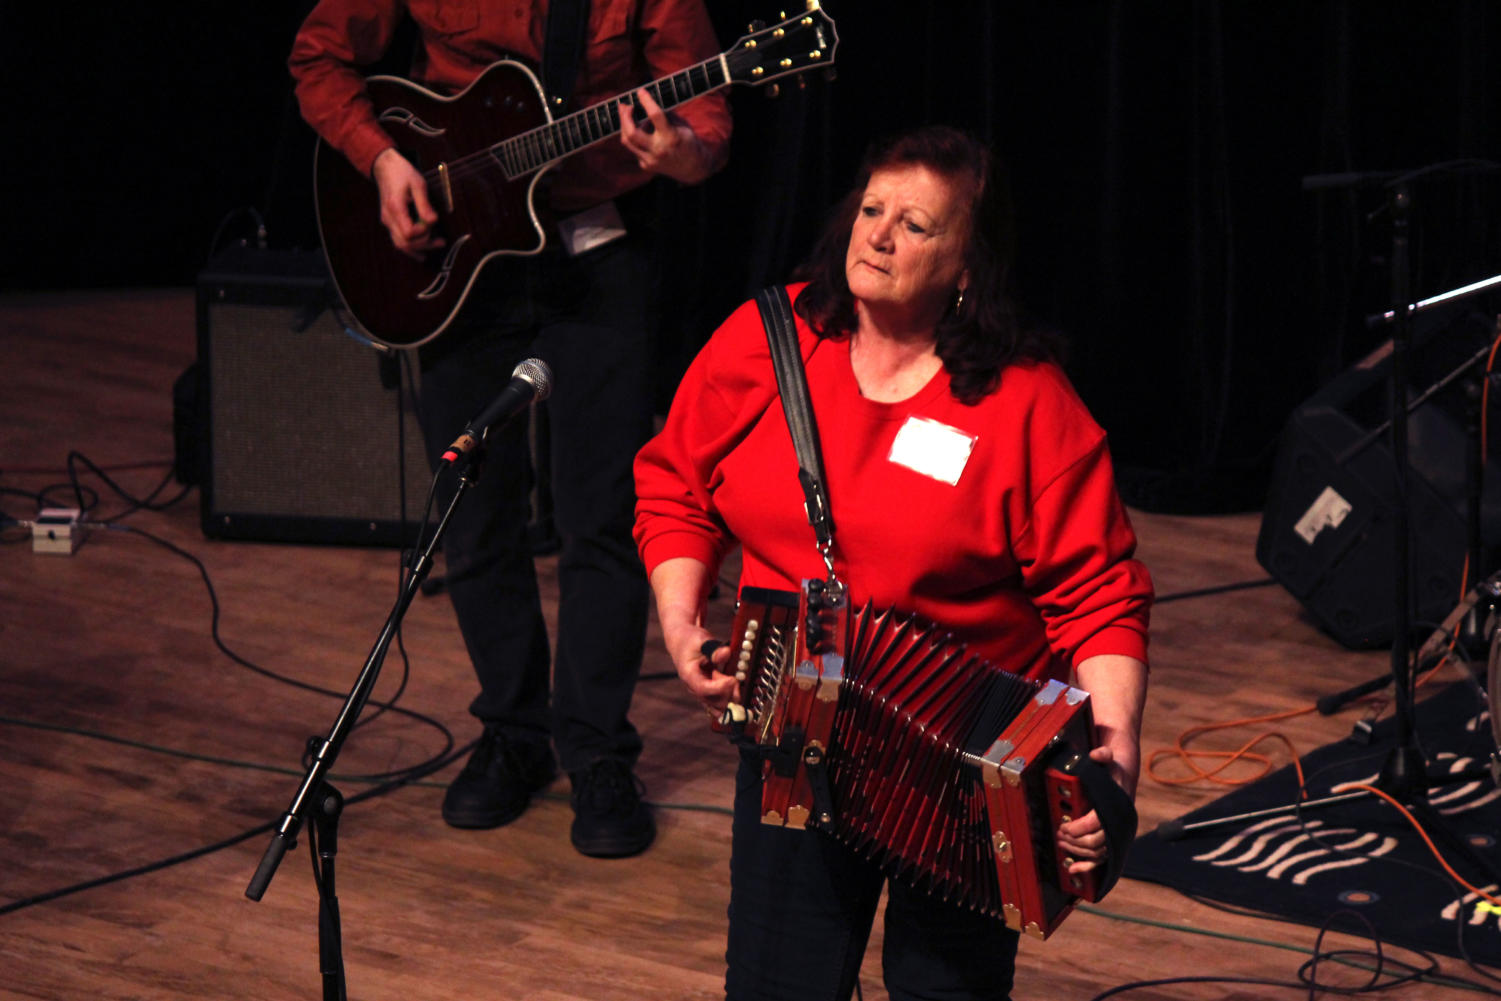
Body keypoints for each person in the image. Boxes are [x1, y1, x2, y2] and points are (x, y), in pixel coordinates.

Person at [633, 126, 1152, 999]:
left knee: (943, 987)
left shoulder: (1025, 401)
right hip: (791, 721)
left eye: (915, 225)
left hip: (966, 761)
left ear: (966, 267)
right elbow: (675, 486)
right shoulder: (768, 338)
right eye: (870, 210)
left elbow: (1098, 593)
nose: (877, 235)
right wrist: (681, 621)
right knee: (776, 982)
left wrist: (1115, 757)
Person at [289, 0, 733, 859]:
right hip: (456, 257)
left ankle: (598, 750)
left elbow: (707, 119)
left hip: (595, 256)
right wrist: (381, 160)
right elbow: (318, 58)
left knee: (599, 515)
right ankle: (512, 732)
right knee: (474, 509)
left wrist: (681, 154)